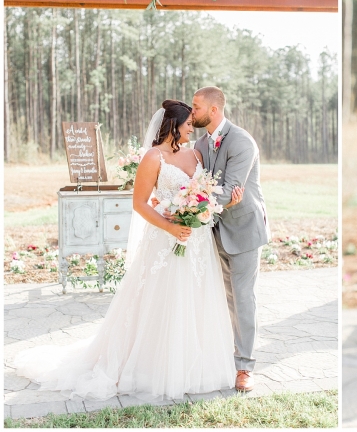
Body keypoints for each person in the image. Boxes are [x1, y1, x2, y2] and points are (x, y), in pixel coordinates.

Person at [14, 99, 243, 402]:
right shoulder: (153, 157)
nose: (192, 128)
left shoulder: (195, 153)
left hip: (197, 243)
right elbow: (139, 203)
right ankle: (155, 367)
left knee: (197, 299)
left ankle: (197, 367)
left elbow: (204, 193)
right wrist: (170, 225)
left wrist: (210, 207)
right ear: (173, 125)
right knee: (164, 301)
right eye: (188, 124)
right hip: (166, 239)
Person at [190, 87, 270, 392]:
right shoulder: (200, 143)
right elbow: (215, 191)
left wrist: (189, 200)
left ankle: (245, 367)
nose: (192, 112)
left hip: (245, 229)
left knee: (243, 298)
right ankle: (227, 356)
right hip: (215, 229)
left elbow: (232, 190)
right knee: (225, 298)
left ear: (213, 110)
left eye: (196, 107)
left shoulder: (241, 141)